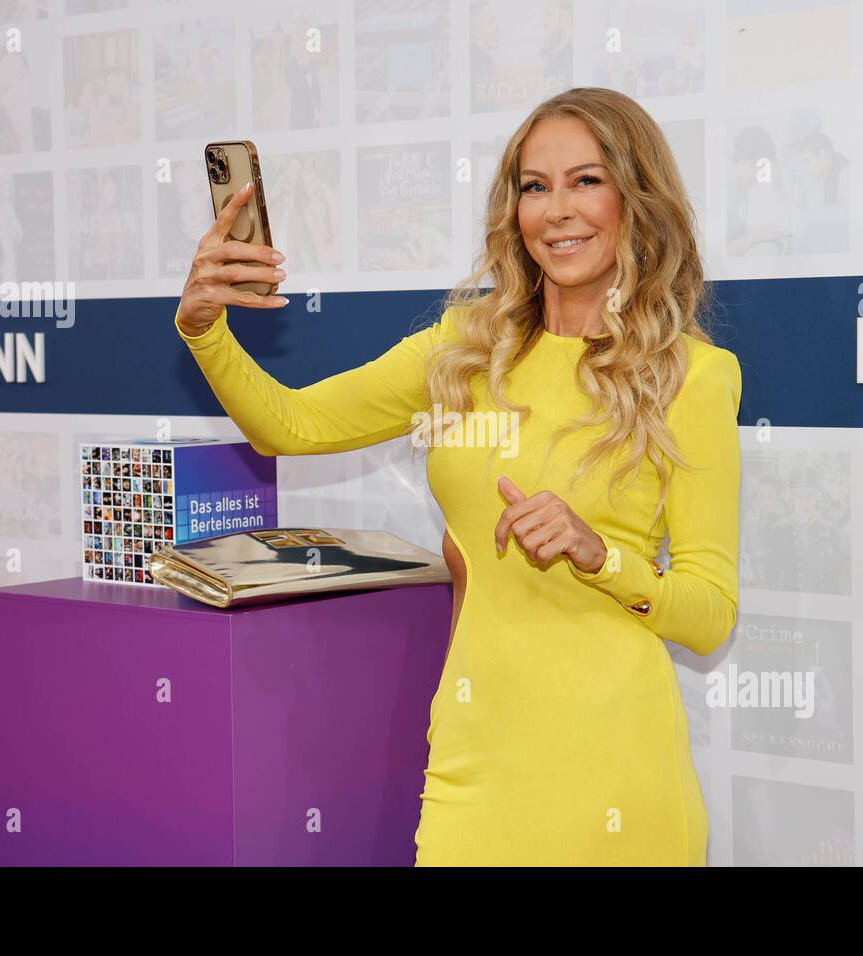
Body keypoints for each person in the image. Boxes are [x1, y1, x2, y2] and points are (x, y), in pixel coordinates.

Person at [175, 87, 742, 866]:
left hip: (616, 775)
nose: (557, 210)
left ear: (634, 196)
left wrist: (598, 555)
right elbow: (291, 425)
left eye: (586, 180)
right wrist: (205, 330)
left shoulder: (693, 377)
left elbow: (709, 613)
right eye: (534, 187)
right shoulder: (465, 347)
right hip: (474, 764)